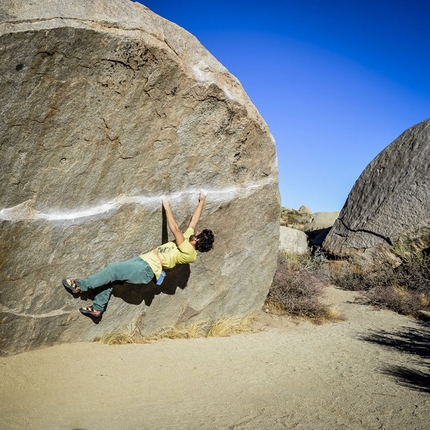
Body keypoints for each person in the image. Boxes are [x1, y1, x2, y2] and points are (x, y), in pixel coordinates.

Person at [62, 191, 214, 317]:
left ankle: (80, 286)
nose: (197, 231)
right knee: (110, 279)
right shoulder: (189, 239)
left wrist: (167, 207)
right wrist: (202, 200)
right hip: (143, 261)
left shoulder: (189, 252)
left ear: (198, 240)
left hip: (147, 268)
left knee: (113, 270)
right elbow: (194, 221)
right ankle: (97, 308)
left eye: (199, 233)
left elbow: (175, 229)